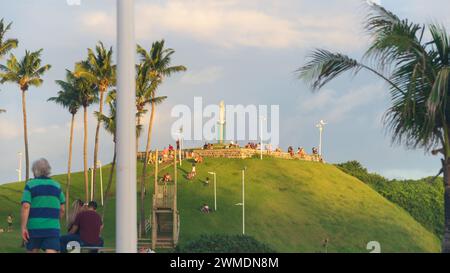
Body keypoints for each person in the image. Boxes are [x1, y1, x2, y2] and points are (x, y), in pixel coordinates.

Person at [21, 158, 65, 253]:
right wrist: (54, 221)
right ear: (48, 170)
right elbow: (62, 209)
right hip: (52, 228)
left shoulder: (30, 185)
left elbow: (25, 206)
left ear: (34, 171)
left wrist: (23, 227)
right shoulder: (57, 186)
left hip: (34, 228)